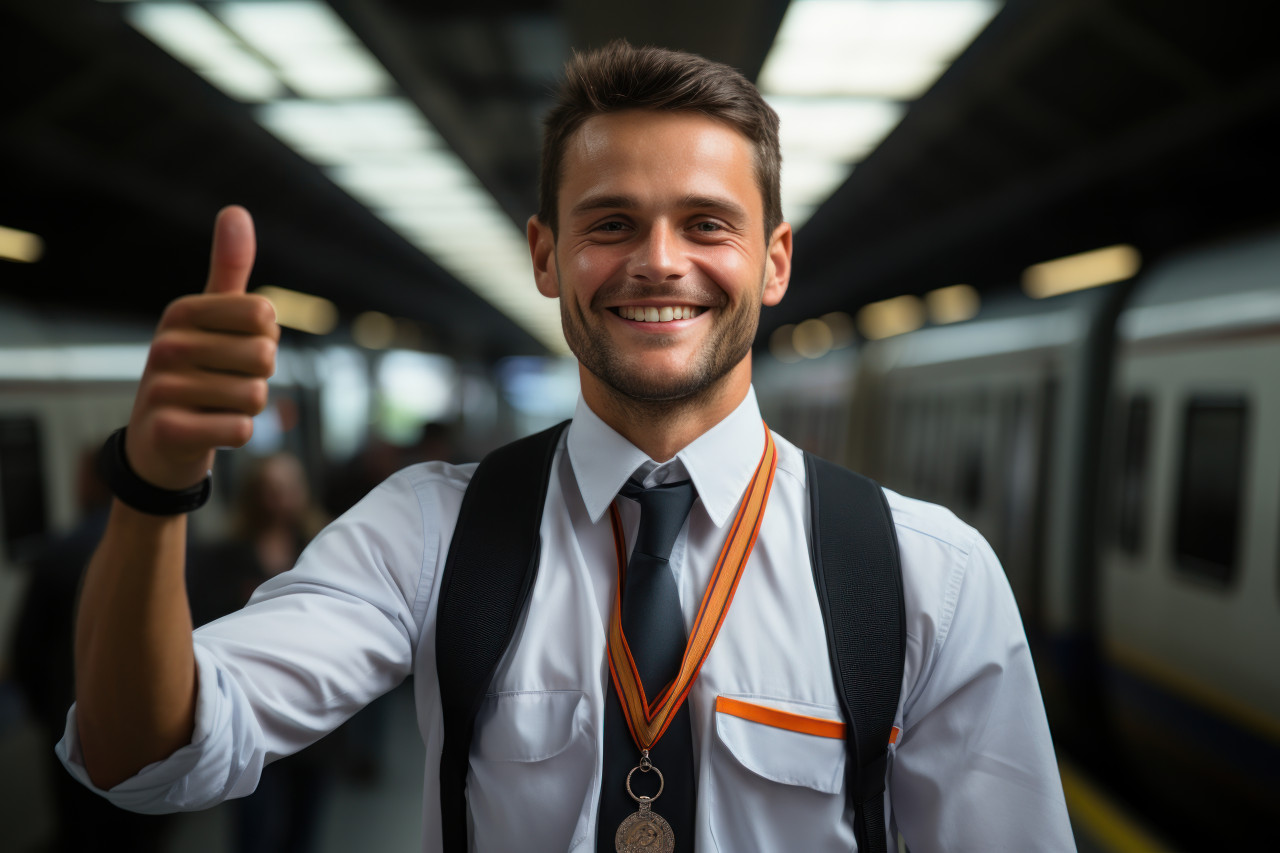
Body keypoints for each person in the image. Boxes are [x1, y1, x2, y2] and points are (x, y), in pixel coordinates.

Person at [58, 41, 1075, 852]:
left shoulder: (923, 576)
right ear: (546, 256)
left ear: (773, 262)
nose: (658, 262)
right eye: (611, 223)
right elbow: (140, 753)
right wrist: (153, 487)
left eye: (706, 224)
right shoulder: (425, 534)